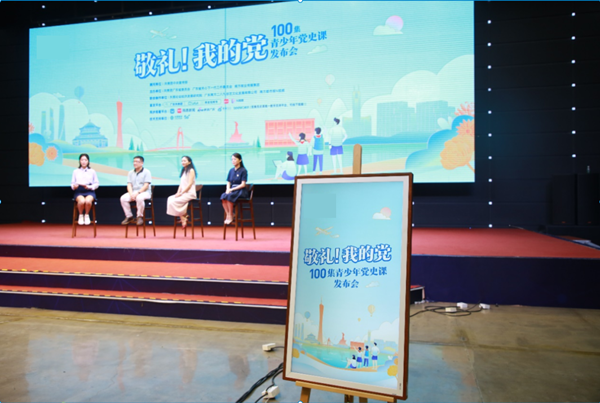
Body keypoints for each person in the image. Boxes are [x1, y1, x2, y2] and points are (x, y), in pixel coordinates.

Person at [120, 156, 152, 226]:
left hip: (145, 192)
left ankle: (139, 216)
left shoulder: (147, 172)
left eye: (137, 161)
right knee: (123, 198)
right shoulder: (130, 172)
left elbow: (146, 185)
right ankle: (129, 216)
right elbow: (129, 185)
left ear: (142, 163)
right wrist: (131, 194)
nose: (135, 163)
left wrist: (138, 193)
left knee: (139, 198)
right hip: (134, 191)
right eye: (134, 161)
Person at [167, 156, 197, 228]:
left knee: (174, 201)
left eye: (184, 161)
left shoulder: (191, 170)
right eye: (182, 161)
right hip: (183, 193)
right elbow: (181, 184)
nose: (183, 162)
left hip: (189, 193)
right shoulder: (183, 170)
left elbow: (190, 184)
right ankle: (183, 216)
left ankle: (183, 217)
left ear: (189, 162)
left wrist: (181, 193)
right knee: (170, 198)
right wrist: (178, 193)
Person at [71, 153, 99, 226]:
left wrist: (89, 187)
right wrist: (74, 186)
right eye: (82, 160)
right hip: (79, 190)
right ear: (79, 161)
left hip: (89, 190)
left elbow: (96, 184)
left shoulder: (92, 171)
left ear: (88, 161)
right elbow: (72, 184)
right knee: (82, 201)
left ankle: (86, 215)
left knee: (88, 201)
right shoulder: (75, 171)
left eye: (85, 160)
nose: (83, 161)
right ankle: (80, 215)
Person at [221, 153, 248, 225]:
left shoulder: (243, 170)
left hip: (240, 190)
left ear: (240, 160)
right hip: (232, 189)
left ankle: (230, 215)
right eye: (232, 159)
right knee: (223, 196)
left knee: (230, 196)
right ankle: (229, 214)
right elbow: (228, 182)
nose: (233, 161)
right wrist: (228, 189)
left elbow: (243, 184)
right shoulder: (231, 170)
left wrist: (231, 190)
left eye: (235, 159)